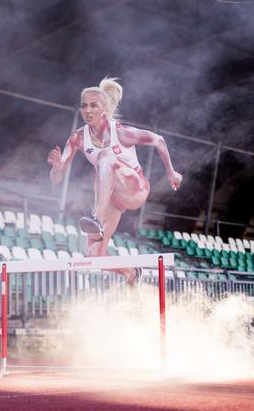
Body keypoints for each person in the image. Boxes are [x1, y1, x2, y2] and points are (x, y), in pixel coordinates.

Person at [47, 77, 182, 283]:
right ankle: (131, 273)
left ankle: (97, 218)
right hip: (112, 198)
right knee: (94, 255)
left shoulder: (121, 132)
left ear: (104, 109)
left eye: (93, 106)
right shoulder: (77, 138)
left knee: (105, 157)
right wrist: (57, 168)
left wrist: (171, 173)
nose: (87, 111)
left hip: (134, 187)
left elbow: (159, 140)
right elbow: (56, 179)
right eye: (84, 106)